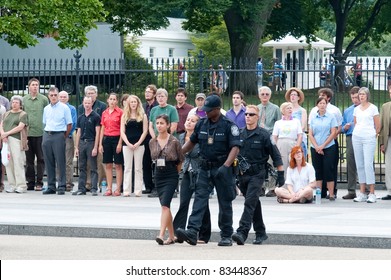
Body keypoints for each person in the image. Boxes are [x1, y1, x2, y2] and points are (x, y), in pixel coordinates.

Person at [176, 95, 241, 247]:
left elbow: (235, 147)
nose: (205, 112)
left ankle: (226, 235)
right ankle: (192, 231)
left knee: (224, 202)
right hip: (204, 168)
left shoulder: (229, 125)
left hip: (222, 167)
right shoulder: (202, 124)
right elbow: (191, 142)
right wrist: (178, 154)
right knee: (199, 199)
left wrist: (226, 166)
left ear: (217, 109)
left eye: (209, 110)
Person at [231, 105, 284, 246]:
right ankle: (261, 233)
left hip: (258, 173)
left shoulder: (264, 135)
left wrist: (281, 173)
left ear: (257, 117)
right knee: (253, 201)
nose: (248, 116)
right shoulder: (240, 134)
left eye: (251, 114)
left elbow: (276, 155)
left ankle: (242, 231)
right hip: (242, 174)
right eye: (246, 114)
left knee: (249, 201)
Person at [173, 114, 211, 244]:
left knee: (202, 204)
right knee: (184, 202)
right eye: (188, 120)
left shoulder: (201, 137)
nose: (189, 122)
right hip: (186, 172)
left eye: (193, 121)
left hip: (199, 172)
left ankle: (203, 235)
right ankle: (178, 231)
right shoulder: (181, 137)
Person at [150, 114, 184, 245]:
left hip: (171, 174)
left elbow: (180, 160)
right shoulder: (152, 142)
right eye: (157, 123)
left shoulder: (174, 141)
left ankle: (161, 234)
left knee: (165, 205)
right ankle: (171, 236)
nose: (159, 125)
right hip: (158, 174)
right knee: (166, 206)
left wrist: (175, 173)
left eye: (162, 123)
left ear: (168, 125)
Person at [308, 88, 342, 198]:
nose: (322, 105)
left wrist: (323, 145)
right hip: (315, 146)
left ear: (327, 104)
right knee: (318, 170)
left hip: (329, 146)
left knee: (329, 169)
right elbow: (310, 133)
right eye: (320, 103)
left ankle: (331, 194)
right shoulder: (313, 116)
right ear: (317, 105)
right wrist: (317, 146)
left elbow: (333, 132)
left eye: (324, 103)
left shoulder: (331, 116)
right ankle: (318, 193)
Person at [42, 87, 73, 195]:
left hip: (59, 134)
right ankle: (51, 186)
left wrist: (63, 136)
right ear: (48, 96)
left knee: (60, 161)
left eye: (55, 95)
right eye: (51, 95)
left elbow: (69, 124)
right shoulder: (46, 108)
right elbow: (45, 122)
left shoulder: (64, 108)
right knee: (48, 161)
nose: (54, 97)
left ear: (58, 96)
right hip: (47, 134)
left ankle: (61, 185)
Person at [352, 87, 380, 203]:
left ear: (367, 95)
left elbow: (377, 125)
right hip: (357, 137)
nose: (361, 96)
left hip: (369, 137)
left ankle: (372, 192)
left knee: (368, 164)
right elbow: (355, 123)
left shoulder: (373, 108)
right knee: (360, 164)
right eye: (360, 94)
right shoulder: (356, 109)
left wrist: (373, 135)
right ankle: (362, 192)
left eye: (363, 94)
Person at [78, 85, 107, 190]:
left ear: (96, 94)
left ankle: (98, 184)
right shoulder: (81, 107)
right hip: (85, 139)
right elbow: (80, 124)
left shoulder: (102, 106)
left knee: (98, 162)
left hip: (97, 138)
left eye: (92, 93)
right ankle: (87, 184)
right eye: (88, 93)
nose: (90, 95)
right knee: (85, 164)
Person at [23, 78, 48, 191]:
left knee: (41, 159)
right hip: (28, 133)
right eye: (33, 85)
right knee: (29, 160)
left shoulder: (43, 99)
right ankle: (30, 182)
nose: (35, 86)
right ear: (29, 87)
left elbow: (47, 114)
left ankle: (40, 182)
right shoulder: (24, 100)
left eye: (37, 85)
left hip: (40, 133)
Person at [120, 95, 148, 197]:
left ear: (138, 103)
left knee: (138, 168)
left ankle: (138, 191)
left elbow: (145, 131)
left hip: (139, 145)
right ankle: (126, 190)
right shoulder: (124, 116)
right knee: (127, 168)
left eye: (135, 102)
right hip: (127, 144)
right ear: (128, 103)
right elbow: (122, 132)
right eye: (131, 102)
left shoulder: (143, 116)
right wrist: (127, 143)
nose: (133, 104)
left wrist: (138, 143)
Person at [73, 96, 101, 196]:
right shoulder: (80, 117)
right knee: (82, 167)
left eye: (89, 103)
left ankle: (94, 188)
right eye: (85, 103)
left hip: (91, 142)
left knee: (93, 166)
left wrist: (95, 147)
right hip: (82, 143)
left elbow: (98, 132)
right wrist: (76, 147)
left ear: (91, 103)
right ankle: (81, 188)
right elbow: (78, 132)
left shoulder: (96, 116)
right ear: (83, 104)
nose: (87, 105)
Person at [1, 95, 28, 193]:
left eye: (17, 102)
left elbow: (20, 127)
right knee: (8, 162)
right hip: (6, 140)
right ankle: (12, 185)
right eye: (13, 102)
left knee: (18, 162)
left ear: (20, 104)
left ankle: (21, 185)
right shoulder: (7, 113)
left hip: (16, 140)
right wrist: (3, 135)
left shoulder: (23, 114)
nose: (14, 104)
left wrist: (6, 133)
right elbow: (2, 124)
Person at [257, 86, 281, 197]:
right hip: (258, 138)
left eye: (267, 94)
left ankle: (272, 187)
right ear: (259, 96)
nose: (265, 96)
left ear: (270, 95)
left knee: (271, 163)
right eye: (263, 94)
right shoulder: (256, 108)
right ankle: (260, 187)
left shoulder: (275, 108)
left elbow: (279, 124)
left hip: (271, 137)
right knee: (259, 163)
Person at [99, 93, 123, 197]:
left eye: (114, 99)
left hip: (117, 138)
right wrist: (100, 144)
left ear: (117, 101)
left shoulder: (120, 112)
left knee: (118, 164)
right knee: (108, 164)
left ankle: (118, 188)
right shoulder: (104, 113)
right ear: (107, 100)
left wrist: (120, 143)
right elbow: (102, 128)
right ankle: (109, 188)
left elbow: (122, 129)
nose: (112, 101)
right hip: (107, 139)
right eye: (110, 99)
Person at [341, 86, 360, 199]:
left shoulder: (367, 109)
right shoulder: (348, 110)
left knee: (364, 163)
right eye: (353, 97)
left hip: (362, 136)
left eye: (357, 97)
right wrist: (345, 127)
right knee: (351, 163)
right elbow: (342, 127)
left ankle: (367, 189)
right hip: (350, 136)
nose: (355, 100)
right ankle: (351, 190)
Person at [272, 102, 303, 174]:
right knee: (283, 164)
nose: (290, 110)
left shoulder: (296, 121)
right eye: (288, 108)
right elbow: (274, 136)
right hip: (281, 144)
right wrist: (275, 148)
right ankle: (283, 183)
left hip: (293, 143)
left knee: (293, 163)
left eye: (291, 108)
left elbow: (300, 135)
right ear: (283, 110)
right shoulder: (278, 123)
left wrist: (297, 147)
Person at [58, 91, 77, 192]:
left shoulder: (72, 109)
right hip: (56, 137)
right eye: (60, 97)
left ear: (68, 98)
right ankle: (60, 182)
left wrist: (65, 134)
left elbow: (73, 123)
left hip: (67, 137)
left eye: (64, 97)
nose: (62, 98)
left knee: (68, 161)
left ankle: (68, 183)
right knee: (58, 160)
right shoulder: (54, 108)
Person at [142, 85, 158, 197]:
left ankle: (156, 186)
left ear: (154, 94)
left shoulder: (157, 106)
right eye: (146, 92)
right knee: (146, 162)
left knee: (156, 162)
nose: (147, 94)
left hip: (155, 136)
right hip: (145, 137)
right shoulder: (143, 107)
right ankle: (148, 186)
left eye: (149, 92)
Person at [285, 87, 308, 156]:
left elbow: (303, 127)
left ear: (298, 97)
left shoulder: (302, 111)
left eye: (295, 95)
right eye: (291, 95)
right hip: (287, 138)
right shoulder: (285, 110)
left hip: (299, 139)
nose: (293, 96)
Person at [379, 85, 391, 200]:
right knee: (389, 165)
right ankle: (390, 190)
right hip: (389, 139)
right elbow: (381, 126)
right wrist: (382, 143)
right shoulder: (385, 106)